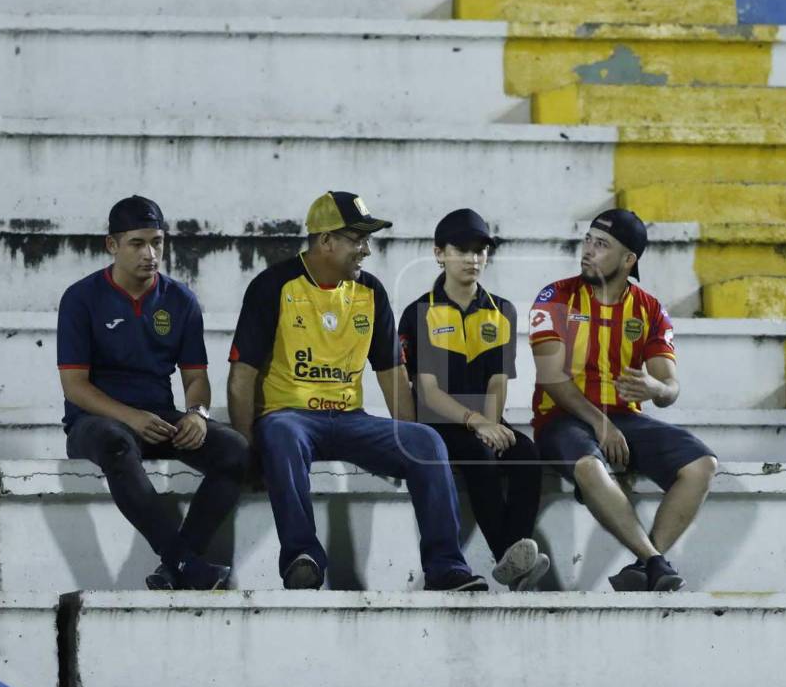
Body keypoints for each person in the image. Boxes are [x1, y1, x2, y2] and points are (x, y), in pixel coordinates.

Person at [226, 190, 488, 592]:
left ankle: (445, 568)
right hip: (290, 417)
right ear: (325, 240)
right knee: (279, 432)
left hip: (351, 419)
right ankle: (303, 557)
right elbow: (242, 375)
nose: (366, 250)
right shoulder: (273, 286)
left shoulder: (370, 292)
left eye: (367, 240)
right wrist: (246, 449)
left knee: (427, 441)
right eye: (357, 239)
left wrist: (406, 443)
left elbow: (393, 376)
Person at [57, 195, 249, 590]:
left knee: (236, 451)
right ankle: (183, 560)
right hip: (95, 425)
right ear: (112, 245)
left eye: (157, 242)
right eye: (138, 243)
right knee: (116, 445)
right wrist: (130, 417)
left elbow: (196, 377)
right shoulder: (81, 298)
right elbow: (74, 386)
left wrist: (196, 413)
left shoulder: (180, 300)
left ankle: (175, 566)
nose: (150, 253)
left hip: (159, 419)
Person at [529, 209, 719, 592]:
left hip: (624, 421)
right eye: (588, 240)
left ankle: (644, 564)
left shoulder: (649, 309)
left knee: (702, 464)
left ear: (629, 259)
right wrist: (601, 424)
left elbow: (669, 387)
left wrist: (656, 388)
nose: (588, 251)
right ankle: (655, 562)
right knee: (589, 467)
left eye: (601, 245)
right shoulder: (557, 295)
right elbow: (551, 379)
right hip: (562, 417)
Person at [398, 209, 549, 591]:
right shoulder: (420, 311)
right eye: (462, 250)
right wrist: (478, 423)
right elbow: (428, 392)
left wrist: (492, 422)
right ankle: (509, 558)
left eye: (480, 250)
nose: (473, 259)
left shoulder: (502, 311)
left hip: (483, 417)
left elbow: (498, 381)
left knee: (527, 454)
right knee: (479, 455)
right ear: (439, 254)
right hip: (437, 422)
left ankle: (514, 554)